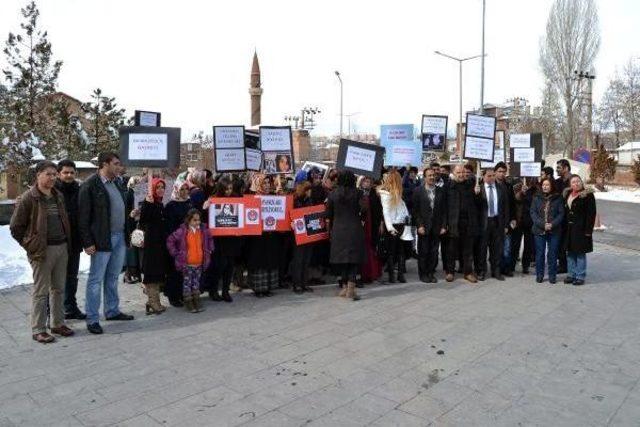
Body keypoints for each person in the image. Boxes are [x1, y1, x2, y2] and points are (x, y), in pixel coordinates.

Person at [10, 160, 75, 343]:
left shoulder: (58, 195)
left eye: (54, 174)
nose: (53, 178)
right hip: (42, 251)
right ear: (38, 175)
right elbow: (16, 227)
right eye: (48, 174)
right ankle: (38, 328)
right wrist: (31, 245)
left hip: (61, 247)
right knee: (41, 291)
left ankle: (57, 323)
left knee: (59, 289)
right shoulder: (29, 198)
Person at [78, 153, 134, 335]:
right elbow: (83, 217)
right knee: (96, 279)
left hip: (119, 237)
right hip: (102, 239)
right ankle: (92, 319)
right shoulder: (90, 185)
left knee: (113, 277)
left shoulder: (117, 183)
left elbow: (122, 209)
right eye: (116, 164)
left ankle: (112, 310)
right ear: (105, 164)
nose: (120, 167)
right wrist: (87, 242)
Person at [326, 170, 365, 301]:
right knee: (354, 260)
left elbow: (328, 214)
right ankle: (351, 289)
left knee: (342, 260)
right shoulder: (358, 193)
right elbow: (364, 209)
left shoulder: (332, 194)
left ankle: (343, 288)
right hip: (354, 229)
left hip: (338, 230)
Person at [54, 159, 86, 320]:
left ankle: (70, 307)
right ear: (59, 174)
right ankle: (51, 310)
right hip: (56, 243)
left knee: (71, 277)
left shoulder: (79, 190)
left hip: (74, 242)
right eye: (65, 172)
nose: (68, 175)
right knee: (55, 279)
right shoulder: (52, 191)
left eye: (72, 172)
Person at [166, 209, 214, 313]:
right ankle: (188, 301)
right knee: (187, 283)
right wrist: (176, 254)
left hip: (199, 263)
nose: (197, 222)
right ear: (188, 220)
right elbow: (170, 240)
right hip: (187, 264)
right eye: (195, 220)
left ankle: (196, 300)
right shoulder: (182, 231)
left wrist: (210, 249)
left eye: (199, 220)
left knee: (196, 283)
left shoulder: (203, 231)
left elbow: (210, 239)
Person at [206, 176, 243, 302]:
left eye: (230, 189)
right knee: (218, 266)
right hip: (219, 240)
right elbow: (206, 217)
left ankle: (226, 291)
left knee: (229, 266)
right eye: (226, 189)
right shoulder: (214, 199)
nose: (228, 191)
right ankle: (213, 290)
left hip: (231, 239)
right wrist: (206, 206)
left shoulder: (236, 199)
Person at [138, 178, 169, 314]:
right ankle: (153, 302)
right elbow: (144, 219)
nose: (161, 189)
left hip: (159, 244)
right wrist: (148, 204)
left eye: (162, 187)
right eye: (158, 187)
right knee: (151, 273)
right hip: (151, 244)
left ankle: (153, 301)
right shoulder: (149, 202)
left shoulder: (160, 203)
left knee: (157, 273)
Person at [246, 175, 280, 297]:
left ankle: (268, 287)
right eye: (264, 183)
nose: (266, 186)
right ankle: (259, 289)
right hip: (257, 237)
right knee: (259, 262)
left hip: (270, 235)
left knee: (269, 260)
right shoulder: (253, 199)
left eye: (268, 183)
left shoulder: (274, 198)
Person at [412, 167, 447, 283]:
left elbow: (444, 211)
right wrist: (419, 225)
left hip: (437, 227)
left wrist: (443, 226)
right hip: (424, 227)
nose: (432, 177)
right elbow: (415, 211)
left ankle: (431, 272)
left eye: (433, 175)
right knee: (423, 251)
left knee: (434, 252)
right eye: (429, 175)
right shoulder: (418, 191)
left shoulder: (441, 191)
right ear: (425, 177)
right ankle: (423, 274)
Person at [445, 164, 479, 283]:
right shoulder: (448, 186)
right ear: (453, 174)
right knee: (452, 249)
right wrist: (445, 224)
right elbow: (444, 207)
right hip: (453, 222)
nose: (461, 175)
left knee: (467, 249)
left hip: (468, 222)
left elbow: (477, 204)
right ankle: (450, 272)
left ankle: (468, 272)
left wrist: (477, 192)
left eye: (463, 173)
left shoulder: (470, 185)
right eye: (458, 173)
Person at [378, 170, 412, 283]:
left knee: (399, 251)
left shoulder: (396, 192)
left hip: (400, 224)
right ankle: (393, 275)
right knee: (393, 251)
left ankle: (399, 275)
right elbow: (386, 212)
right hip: (393, 225)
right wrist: (390, 227)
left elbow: (402, 209)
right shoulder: (386, 194)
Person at [476, 168, 509, 281]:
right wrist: (475, 195)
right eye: (489, 176)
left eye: (493, 176)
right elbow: (475, 208)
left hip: (497, 222)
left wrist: (505, 225)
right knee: (482, 249)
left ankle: (496, 271)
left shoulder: (501, 189)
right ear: (483, 177)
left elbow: (505, 208)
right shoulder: (478, 189)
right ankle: (481, 271)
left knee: (497, 249)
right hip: (483, 223)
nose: (491, 178)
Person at [163, 180, 193, 306]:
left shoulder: (189, 203)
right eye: (182, 189)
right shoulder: (171, 205)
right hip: (176, 242)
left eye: (186, 189)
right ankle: (173, 296)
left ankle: (183, 293)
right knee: (174, 270)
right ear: (177, 190)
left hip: (189, 241)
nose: (185, 192)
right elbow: (169, 227)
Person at [563, 175, 596, 286]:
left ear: (581, 182)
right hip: (569, 229)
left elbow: (591, 214)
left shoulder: (588, 195)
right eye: (573, 182)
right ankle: (571, 274)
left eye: (578, 181)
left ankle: (580, 276)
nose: (576, 183)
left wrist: (588, 231)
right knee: (570, 252)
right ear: (570, 185)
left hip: (581, 229)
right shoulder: (567, 194)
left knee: (580, 253)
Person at [530, 178, 564, 284]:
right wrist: (542, 224)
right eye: (543, 185)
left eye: (547, 185)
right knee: (540, 253)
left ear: (552, 186)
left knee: (552, 253)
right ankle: (539, 274)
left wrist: (552, 224)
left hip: (554, 230)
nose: (545, 187)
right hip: (539, 230)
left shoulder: (558, 198)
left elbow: (561, 213)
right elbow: (533, 213)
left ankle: (552, 275)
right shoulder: (536, 197)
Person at [290, 181, 315, 293]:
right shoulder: (296, 200)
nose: (310, 191)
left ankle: (304, 283)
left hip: (308, 233)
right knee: (299, 260)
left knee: (307, 259)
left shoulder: (309, 200)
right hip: (299, 234)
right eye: (309, 189)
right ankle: (297, 284)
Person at [358, 176, 383, 284]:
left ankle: (371, 273)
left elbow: (380, 210)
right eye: (365, 181)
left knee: (372, 248)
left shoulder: (375, 195)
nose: (367, 183)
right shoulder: (357, 194)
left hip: (373, 224)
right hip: (360, 226)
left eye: (369, 181)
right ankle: (362, 274)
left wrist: (381, 223)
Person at [494, 162, 516, 277]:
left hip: (507, 222)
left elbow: (512, 204)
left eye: (504, 172)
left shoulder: (508, 186)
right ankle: (496, 268)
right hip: (494, 222)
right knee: (496, 248)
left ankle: (505, 268)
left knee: (507, 248)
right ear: (495, 172)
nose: (502, 174)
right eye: (500, 171)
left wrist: (513, 219)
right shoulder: (490, 185)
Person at [509, 180, 534, 274]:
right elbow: (514, 199)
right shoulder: (516, 185)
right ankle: (511, 266)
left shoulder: (535, 188)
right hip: (518, 220)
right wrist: (521, 192)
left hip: (530, 221)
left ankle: (526, 266)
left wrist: (528, 193)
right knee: (515, 245)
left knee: (528, 246)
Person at [123, 176, 142, 284]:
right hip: (131, 223)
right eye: (136, 182)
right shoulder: (129, 193)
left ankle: (135, 274)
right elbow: (127, 210)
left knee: (136, 250)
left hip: (137, 223)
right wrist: (131, 215)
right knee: (131, 250)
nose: (138, 184)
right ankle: (128, 274)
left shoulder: (139, 193)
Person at [554, 159, 572, 274]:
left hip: (571, 218)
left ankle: (573, 266)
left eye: (559, 168)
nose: (557, 170)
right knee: (559, 241)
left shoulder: (574, 180)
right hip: (560, 217)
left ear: (566, 168)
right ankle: (562, 265)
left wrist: (570, 189)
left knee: (570, 242)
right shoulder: (557, 182)